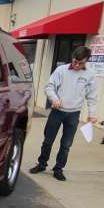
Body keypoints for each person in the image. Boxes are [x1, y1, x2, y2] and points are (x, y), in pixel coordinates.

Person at [28, 45, 98, 181]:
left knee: (66, 145)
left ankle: (58, 169)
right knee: (48, 140)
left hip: (74, 114)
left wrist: (92, 113)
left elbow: (92, 96)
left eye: (80, 63)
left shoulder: (90, 75)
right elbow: (49, 86)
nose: (77, 65)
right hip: (57, 112)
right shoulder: (61, 70)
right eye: (74, 62)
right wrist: (54, 98)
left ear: (87, 61)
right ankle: (42, 164)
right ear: (72, 58)